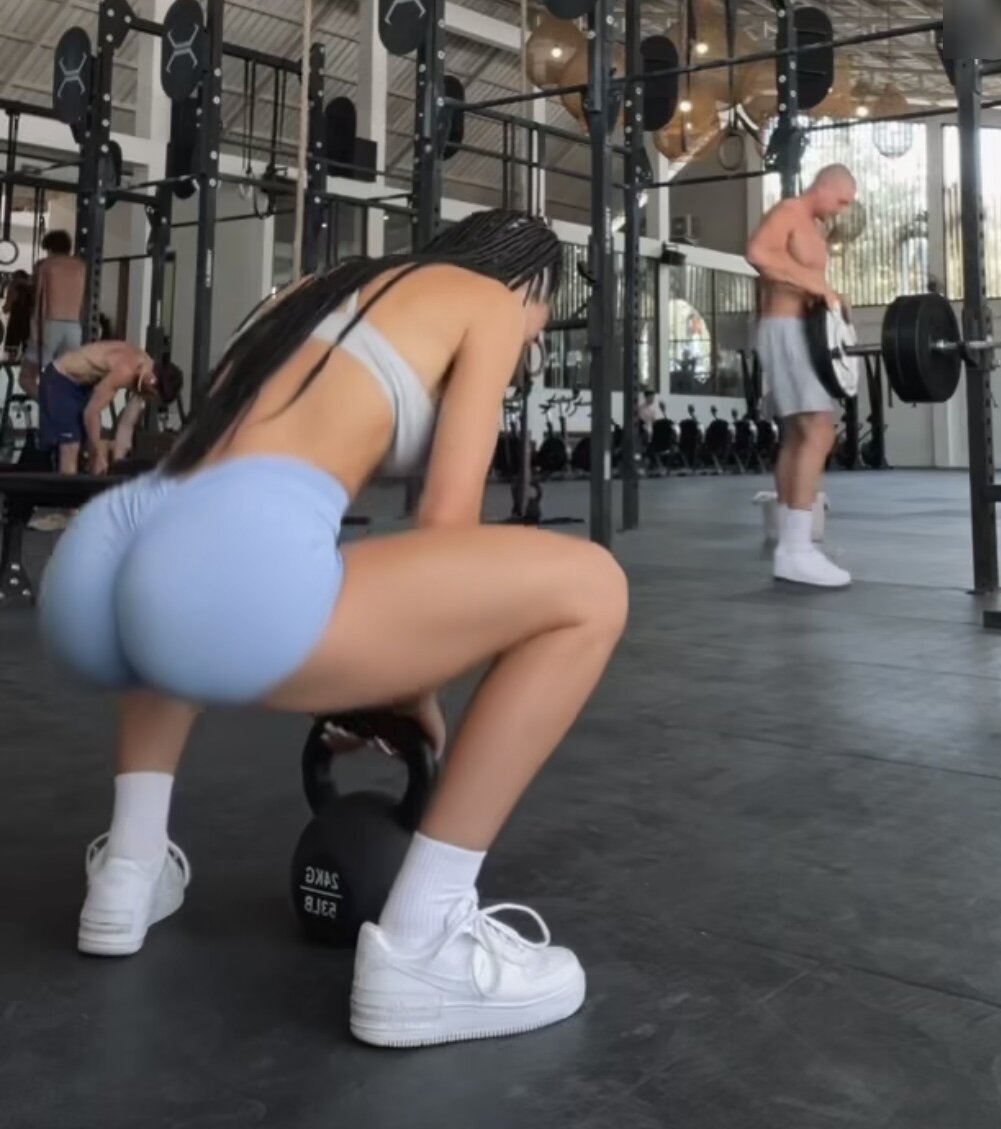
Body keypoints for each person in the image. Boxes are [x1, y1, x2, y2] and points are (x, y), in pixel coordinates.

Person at [36, 209, 629, 1050]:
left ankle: (128, 873)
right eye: (539, 327)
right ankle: (425, 945)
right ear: (529, 285)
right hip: (216, 573)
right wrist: (412, 684)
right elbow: (447, 523)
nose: (527, 343)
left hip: (112, 548)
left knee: (188, 576)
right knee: (591, 588)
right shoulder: (491, 303)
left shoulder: (320, 289)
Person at [746, 164, 857, 588]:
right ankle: (796, 550)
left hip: (801, 329)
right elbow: (758, 254)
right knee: (819, 431)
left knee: (796, 435)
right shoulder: (789, 212)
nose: (841, 210)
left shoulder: (813, 226)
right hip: (785, 330)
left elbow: (804, 280)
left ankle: (791, 545)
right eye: (841, 200)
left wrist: (830, 295)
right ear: (823, 186)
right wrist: (815, 284)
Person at [37, 340, 178, 475]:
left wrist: (118, 463)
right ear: (153, 380)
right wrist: (98, 454)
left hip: (83, 386)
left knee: (94, 447)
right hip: (60, 378)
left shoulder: (145, 371)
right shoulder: (126, 370)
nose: (150, 397)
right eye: (152, 394)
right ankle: (66, 492)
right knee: (71, 447)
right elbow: (91, 412)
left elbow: (126, 425)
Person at [21, 230, 86, 397]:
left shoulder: (45, 265)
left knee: (26, 378)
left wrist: (35, 330)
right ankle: (61, 406)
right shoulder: (81, 266)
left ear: (50, 248)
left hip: (50, 325)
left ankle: (49, 405)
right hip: (74, 328)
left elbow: (39, 299)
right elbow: (83, 301)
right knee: (66, 379)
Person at [4, 269, 33, 363]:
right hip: (29, 324)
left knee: (11, 356)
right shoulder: (32, 289)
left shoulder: (13, 287)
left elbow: (6, 308)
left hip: (15, 324)